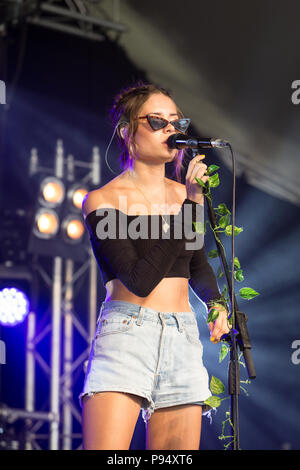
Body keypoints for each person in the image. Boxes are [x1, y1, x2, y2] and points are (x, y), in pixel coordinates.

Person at [79, 82, 230, 450]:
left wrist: (216, 304)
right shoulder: (103, 201)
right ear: (128, 131)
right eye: (158, 121)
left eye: (177, 123)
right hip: (127, 332)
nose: (171, 131)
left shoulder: (184, 195)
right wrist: (191, 208)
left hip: (182, 334)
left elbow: (195, 264)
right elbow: (139, 280)